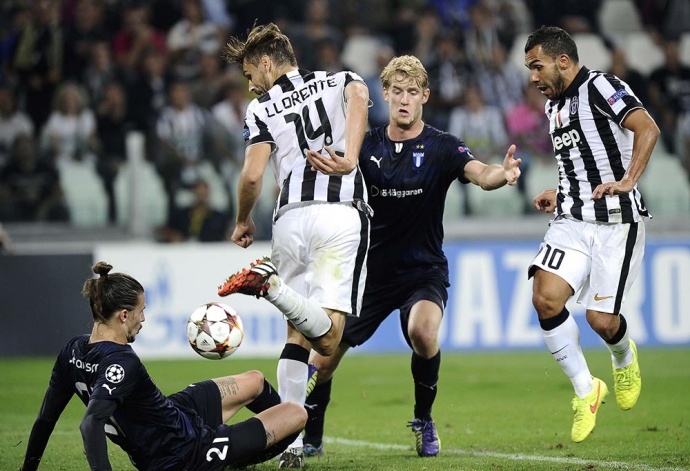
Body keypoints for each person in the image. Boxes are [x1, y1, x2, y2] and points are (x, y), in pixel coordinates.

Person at [303, 55, 522, 458]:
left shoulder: (442, 146)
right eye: (397, 92)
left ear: (425, 96)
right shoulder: (365, 145)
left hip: (423, 270)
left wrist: (501, 174)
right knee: (322, 359)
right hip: (369, 274)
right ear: (384, 94)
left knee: (423, 333)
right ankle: (311, 435)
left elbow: (480, 172)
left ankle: (424, 419)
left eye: (412, 92)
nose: (404, 100)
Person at [217, 23, 370, 468]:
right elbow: (360, 96)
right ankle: (271, 288)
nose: (251, 85)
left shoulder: (260, 108)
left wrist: (243, 220)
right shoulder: (339, 79)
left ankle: (289, 445)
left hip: (289, 221)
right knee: (330, 340)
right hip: (339, 213)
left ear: (267, 63)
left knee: (296, 336)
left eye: (250, 74)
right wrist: (351, 157)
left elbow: (252, 175)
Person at [20, 261, 306, 471]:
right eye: (141, 311)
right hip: (183, 454)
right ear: (123, 315)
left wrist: (28, 467)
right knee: (296, 413)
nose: (143, 319)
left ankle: (241, 447)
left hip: (172, 415)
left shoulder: (72, 350)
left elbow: (45, 419)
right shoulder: (122, 361)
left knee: (255, 380)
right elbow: (90, 423)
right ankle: (229, 460)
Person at [523, 26, 659, 443]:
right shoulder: (554, 106)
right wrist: (560, 193)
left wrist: (628, 181)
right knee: (545, 298)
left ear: (563, 61)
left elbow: (647, 128)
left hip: (616, 221)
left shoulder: (601, 86)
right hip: (572, 218)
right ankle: (586, 389)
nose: (533, 77)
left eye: (537, 66)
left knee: (601, 320)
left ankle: (623, 356)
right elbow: (579, 164)